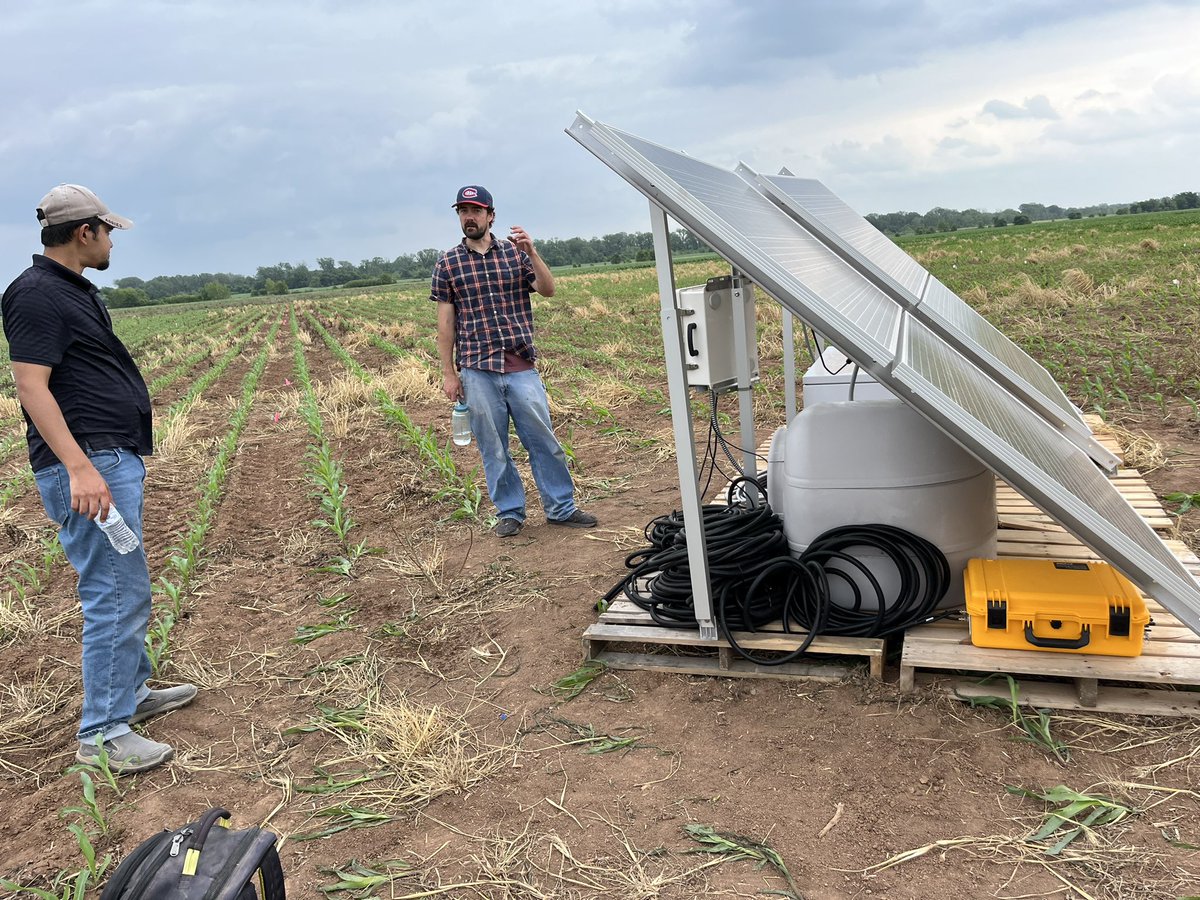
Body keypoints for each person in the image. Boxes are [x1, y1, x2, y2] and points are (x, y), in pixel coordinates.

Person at [2, 184, 196, 774]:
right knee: (112, 595)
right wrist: (80, 468)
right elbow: (30, 386)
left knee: (127, 587)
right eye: (107, 230)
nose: (112, 240)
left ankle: (129, 695)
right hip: (87, 467)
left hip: (106, 459)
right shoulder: (36, 295)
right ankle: (103, 733)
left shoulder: (67, 290)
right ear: (84, 231)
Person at [432, 185, 597, 537]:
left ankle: (561, 508)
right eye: (462, 211)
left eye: (475, 210)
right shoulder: (448, 263)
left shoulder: (515, 254)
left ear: (491, 216)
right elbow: (446, 325)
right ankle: (510, 511)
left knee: (543, 440)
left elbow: (548, 289)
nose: (468, 217)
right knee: (493, 447)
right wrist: (449, 372)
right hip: (477, 369)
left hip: (521, 366)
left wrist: (532, 251)